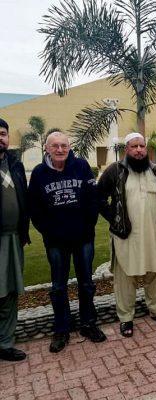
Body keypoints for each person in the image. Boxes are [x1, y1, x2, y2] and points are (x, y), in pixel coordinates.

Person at [29, 131, 106, 353]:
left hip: (83, 238)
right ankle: (61, 329)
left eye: (64, 145)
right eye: (55, 146)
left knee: (86, 283)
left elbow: (93, 199)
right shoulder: (39, 173)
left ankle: (88, 324)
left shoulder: (82, 166)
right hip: (55, 241)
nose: (60, 149)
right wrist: (48, 231)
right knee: (58, 286)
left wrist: (88, 226)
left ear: (69, 146)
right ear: (47, 148)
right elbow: (34, 207)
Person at [97, 132, 156, 337]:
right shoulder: (115, 171)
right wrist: (114, 218)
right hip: (125, 235)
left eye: (142, 146)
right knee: (125, 277)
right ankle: (126, 318)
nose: (139, 150)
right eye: (134, 146)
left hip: (152, 234)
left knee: (155, 273)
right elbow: (98, 198)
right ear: (127, 150)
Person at [0, 118, 29, 361]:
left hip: (14, 239)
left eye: (2, 133)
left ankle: (5, 342)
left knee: (10, 291)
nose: (0, 138)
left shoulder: (15, 165)